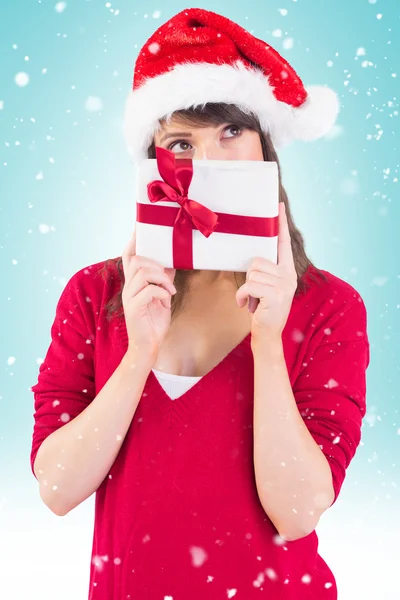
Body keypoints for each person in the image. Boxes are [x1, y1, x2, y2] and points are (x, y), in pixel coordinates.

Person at [30, 8, 370, 599]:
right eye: (182, 142)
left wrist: (269, 343)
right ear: (152, 166)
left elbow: (297, 513)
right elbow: (57, 489)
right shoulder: (94, 296)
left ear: (267, 148)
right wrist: (139, 351)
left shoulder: (330, 307)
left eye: (232, 132)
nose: (209, 163)